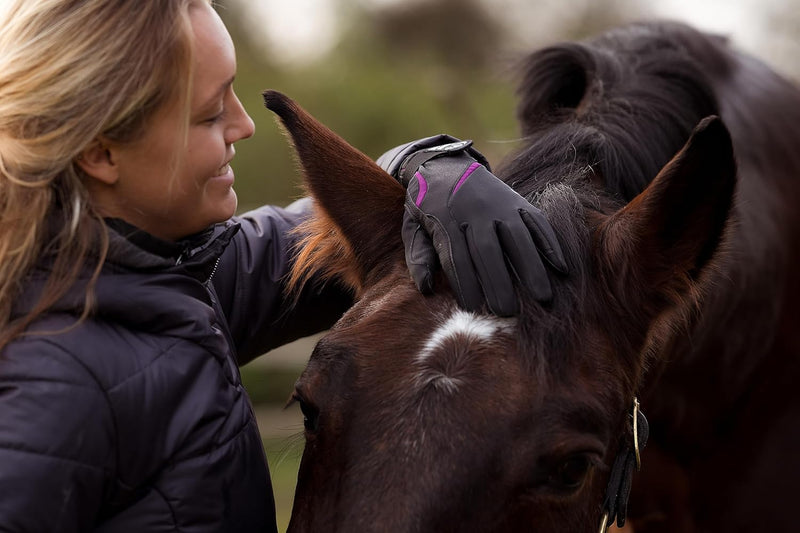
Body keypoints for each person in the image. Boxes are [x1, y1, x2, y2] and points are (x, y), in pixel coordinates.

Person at [0, 1, 565, 531]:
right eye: (209, 114)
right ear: (101, 152)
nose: (243, 125)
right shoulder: (55, 389)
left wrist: (420, 168)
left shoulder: (178, 271)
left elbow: (317, 232)